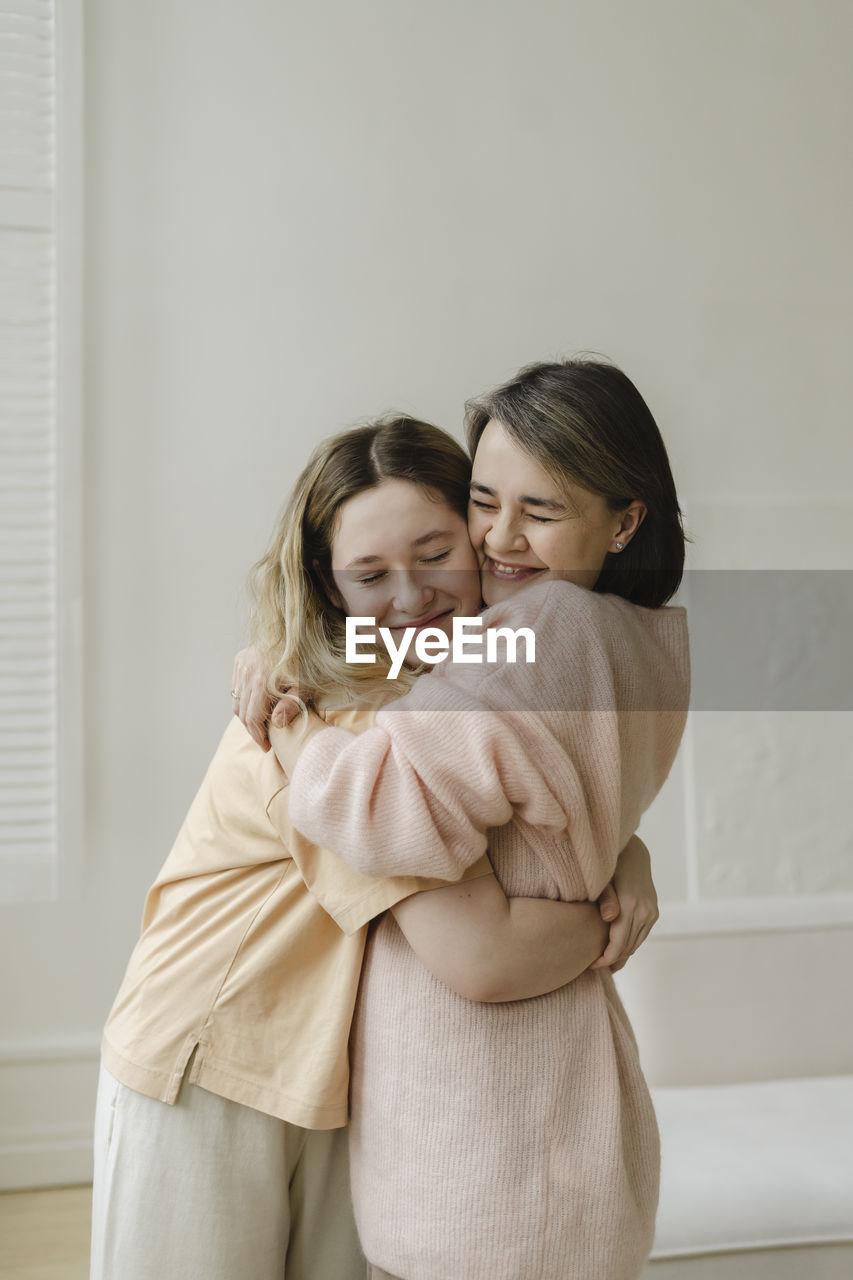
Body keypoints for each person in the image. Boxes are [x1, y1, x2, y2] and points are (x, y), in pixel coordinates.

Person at [92, 415, 655, 1280]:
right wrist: (604, 917)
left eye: (434, 553)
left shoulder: (454, 675)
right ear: (328, 583)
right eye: (368, 574)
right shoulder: (333, 722)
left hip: (336, 1071)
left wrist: (626, 851)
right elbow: (482, 954)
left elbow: (540, 809)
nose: (409, 597)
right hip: (213, 1056)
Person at [256, 357, 690, 1280]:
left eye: (540, 512)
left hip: (486, 1133)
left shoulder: (538, 636)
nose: (498, 538)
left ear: (624, 520)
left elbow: (376, 804)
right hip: (568, 1106)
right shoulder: (633, 638)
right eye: (483, 502)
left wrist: (298, 739)